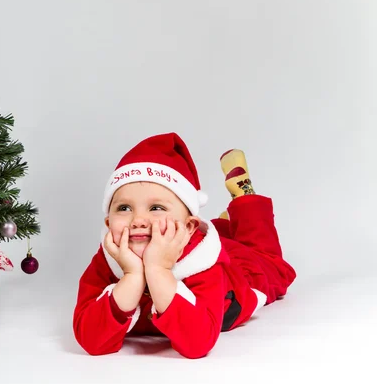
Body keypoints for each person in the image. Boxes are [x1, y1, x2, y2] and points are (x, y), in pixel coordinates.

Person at [72, 132, 296, 358]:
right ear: (109, 222)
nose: (138, 220)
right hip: (181, 239)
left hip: (237, 276)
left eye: (156, 208)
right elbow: (91, 340)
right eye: (124, 208)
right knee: (227, 234)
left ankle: (243, 196)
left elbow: (197, 344)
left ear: (189, 228)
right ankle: (225, 222)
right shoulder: (107, 260)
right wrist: (132, 276)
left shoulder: (202, 262)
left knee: (272, 266)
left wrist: (158, 271)